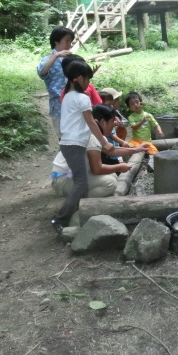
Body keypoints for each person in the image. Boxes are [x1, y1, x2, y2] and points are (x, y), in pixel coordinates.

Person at [50, 60, 115, 235]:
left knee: (83, 184)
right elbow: (91, 124)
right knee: (81, 183)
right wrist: (104, 142)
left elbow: (80, 121)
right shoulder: (82, 98)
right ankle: (60, 218)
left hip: (68, 143)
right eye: (87, 80)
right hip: (73, 145)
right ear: (78, 79)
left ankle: (80, 214)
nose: (88, 84)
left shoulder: (67, 95)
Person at [51, 104, 143, 198]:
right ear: (102, 122)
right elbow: (97, 169)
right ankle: (80, 203)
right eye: (111, 122)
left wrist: (137, 150)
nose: (113, 126)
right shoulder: (92, 137)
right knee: (110, 183)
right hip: (63, 179)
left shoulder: (97, 135)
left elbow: (112, 151)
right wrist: (119, 167)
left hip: (71, 176)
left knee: (113, 176)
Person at [37, 27, 74, 137]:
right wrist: (56, 55)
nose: (69, 44)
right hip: (58, 106)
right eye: (67, 40)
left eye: (71, 41)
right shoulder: (47, 59)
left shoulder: (72, 59)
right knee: (63, 139)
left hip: (74, 104)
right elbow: (42, 72)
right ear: (56, 41)